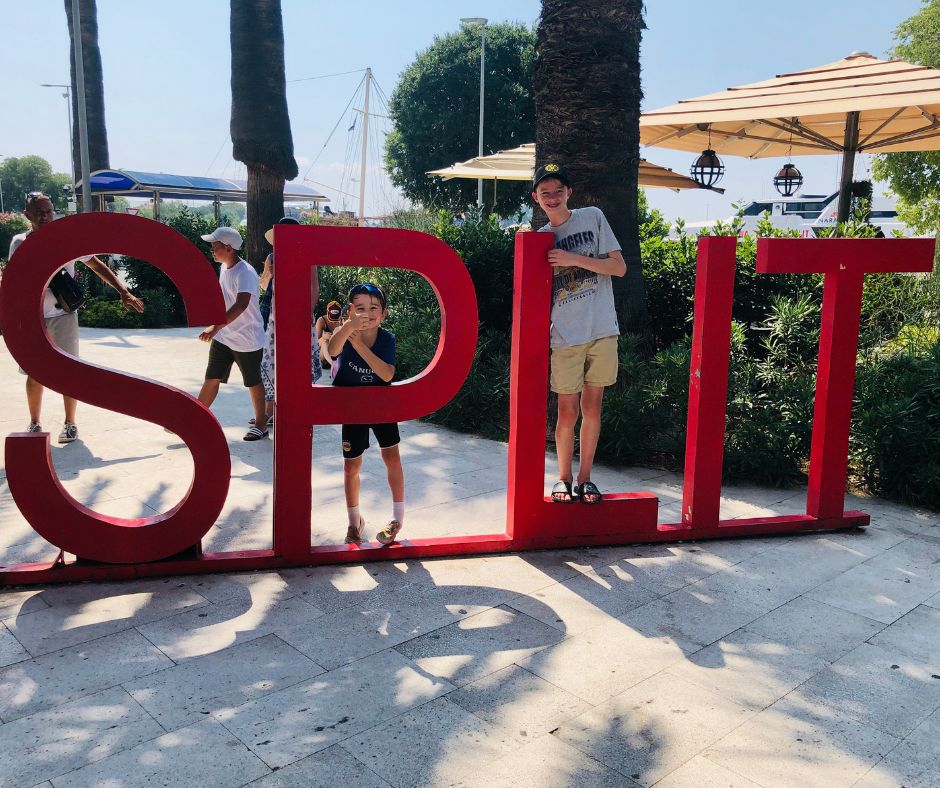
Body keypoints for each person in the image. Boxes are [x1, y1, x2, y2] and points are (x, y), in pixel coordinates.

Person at [8, 192, 144, 442]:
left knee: (69, 370)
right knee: (34, 372)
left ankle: (70, 423)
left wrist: (123, 291)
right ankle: (35, 423)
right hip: (32, 317)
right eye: (39, 212)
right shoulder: (19, 243)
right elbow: (14, 281)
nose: (45, 216)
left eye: (49, 210)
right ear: (27, 215)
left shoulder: (65, 239)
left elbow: (96, 264)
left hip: (63, 315)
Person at [531, 164, 627, 505]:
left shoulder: (592, 217)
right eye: (546, 193)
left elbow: (618, 267)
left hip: (602, 327)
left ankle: (586, 479)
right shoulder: (540, 238)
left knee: (593, 406)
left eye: (558, 191)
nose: (553, 197)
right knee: (567, 410)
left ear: (569, 193)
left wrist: (572, 258)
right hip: (566, 334)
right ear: (537, 198)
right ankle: (563, 478)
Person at [327, 283, 404, 545]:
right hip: (353, 406)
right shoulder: (343, 331)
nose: (367, 314)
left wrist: (359, 346)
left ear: (383, 313)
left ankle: (397, 517)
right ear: (350, 311)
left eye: (374, 309)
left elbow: (386, 374)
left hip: (381, 404)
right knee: (351, 465)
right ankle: (354, 521)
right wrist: (348, 329)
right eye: (360, 308)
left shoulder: (387, 338)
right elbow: (333, 351)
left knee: (391, 457)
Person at [197, 227, 269, 441]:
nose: (212, 249)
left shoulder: (245, 272)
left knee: (252, 381)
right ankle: (194, 418)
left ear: (228, 248)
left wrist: (216, 326)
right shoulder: (225, 268)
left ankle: (261, 424)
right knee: (211, 378)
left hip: (246, 339)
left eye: (215, 246)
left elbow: (242, 304)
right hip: (224, 337)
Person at [258, 217, 320, 426]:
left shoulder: (307, 257)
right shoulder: (272, 257)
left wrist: (306, 316)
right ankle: (269, 411)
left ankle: (298, 409)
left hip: (299, 316)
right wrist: (271, 274)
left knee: (298, 363)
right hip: (275, 317)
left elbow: (313, 288)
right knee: (270, 361)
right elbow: (263, 285)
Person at [316, 300, 343, 371]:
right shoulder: (321, 321)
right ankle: (333, 364)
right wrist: (324, 337)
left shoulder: (342, 320)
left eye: (336, 317)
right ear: (327, 312)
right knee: (325, 341)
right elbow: (315, 345)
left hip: (337, 353)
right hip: (324, 357)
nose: (334, 321)